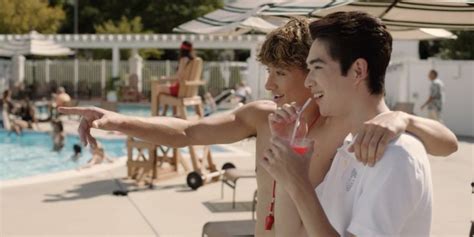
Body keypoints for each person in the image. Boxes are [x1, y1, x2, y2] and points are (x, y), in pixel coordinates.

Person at [59, 18, 458, 236]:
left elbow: (445, 145)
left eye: (281, 73)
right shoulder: (264, 117)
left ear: (309, 72)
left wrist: (402, 117)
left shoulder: (345, 127)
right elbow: (188, 131)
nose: (270, 84)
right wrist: (115, 120)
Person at [262, 11, 437, 236]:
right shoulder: (348, 148)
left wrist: (299, 182)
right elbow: (293, 233)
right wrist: (288, 157)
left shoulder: (397, 156)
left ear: (358, 71)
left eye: (317, 67)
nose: (308, 81)